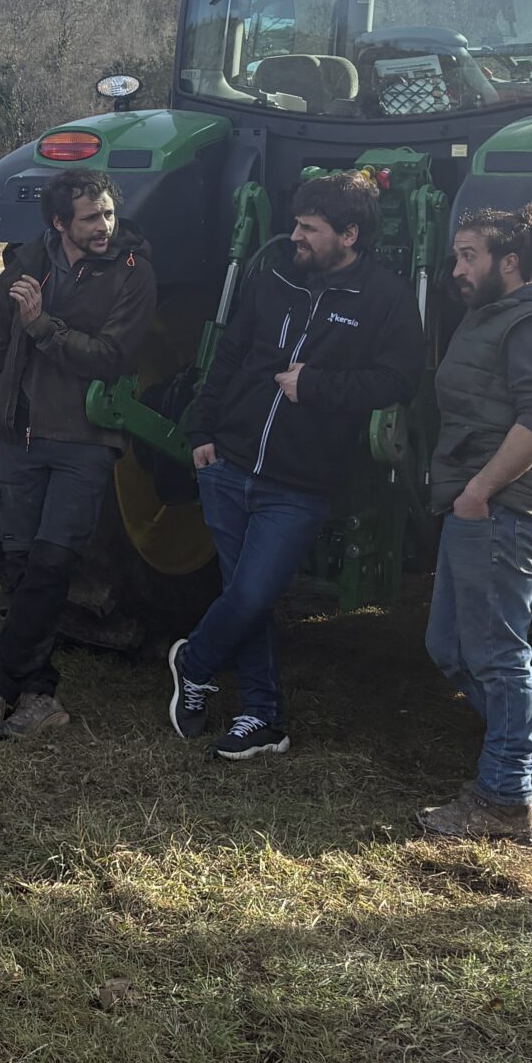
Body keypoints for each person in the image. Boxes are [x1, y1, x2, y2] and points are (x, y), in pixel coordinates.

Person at [171, 171, 427, 761]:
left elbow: (399, 380)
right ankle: (261, 716)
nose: (294, 237)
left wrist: (318, 386)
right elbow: (230, 356)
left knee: (254, 593)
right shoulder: (273, 278)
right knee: (246, 595)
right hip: (229, 464)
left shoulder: (384, 299)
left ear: (351, 234)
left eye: (309, 228)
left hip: (299, 482)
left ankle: (194, 661)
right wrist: (201, 431)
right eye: (295, 224)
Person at [0, 172, 156, 741]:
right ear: (59, 224)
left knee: (50, 567)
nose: (105, 226)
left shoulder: (133, 275)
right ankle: (39, 693)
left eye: (108, 214)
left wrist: (42, 324)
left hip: (82, 442)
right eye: (91, 218)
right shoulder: (29, 261)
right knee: (21, 570)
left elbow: (112, 357)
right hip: (19, 438)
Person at [418, 205, 532, 845]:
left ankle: (504, 800)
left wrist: (481, 492)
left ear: (508, 261)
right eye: (457, 254)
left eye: (469, 255)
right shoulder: (493, 317)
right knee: (451, 648)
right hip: (477, 503)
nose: (457, 268)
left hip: (501, 509)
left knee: (496, 656)